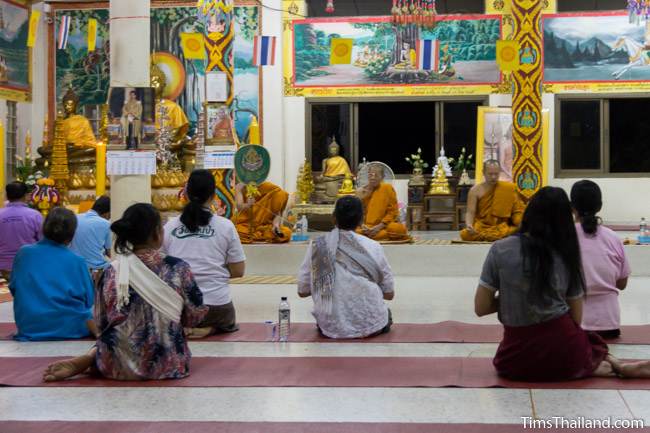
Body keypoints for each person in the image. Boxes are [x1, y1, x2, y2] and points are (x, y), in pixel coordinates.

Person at [474, 186, 650, 381]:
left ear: (529, 212)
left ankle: (594, 365)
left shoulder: (500, 249)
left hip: (515, 360)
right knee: (591, 341)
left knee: (531, 354)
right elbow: (576, 318)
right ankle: (614, 365)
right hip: (565, 351)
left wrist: (515, 295)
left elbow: (481, 307)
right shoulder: (567, 253)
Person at [43, 203, 207, 382]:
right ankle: (93, 358)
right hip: (168, 364)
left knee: (114, 332)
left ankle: (92, 358)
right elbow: (195, 316)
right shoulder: (178, 268)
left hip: (115, 366)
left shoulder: (111, 271)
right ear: (157, 233)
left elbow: (101, 322)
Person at [298, 196, 394, 339]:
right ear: (361, 220)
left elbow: (302, 291)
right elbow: (389, 294)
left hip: (330, 327)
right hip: (370, 325)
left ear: (333, 218)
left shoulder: (320, 246)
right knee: (387, 313)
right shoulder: (373, 246)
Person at [164, 170, 245, 338]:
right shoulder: (226, 226)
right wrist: (213, 271)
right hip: (216, 307)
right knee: (225, 316)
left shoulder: (169, 226)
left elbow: (162, 267)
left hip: (179, 307)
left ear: (185, 193)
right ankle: (212, 328)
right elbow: (239, 271)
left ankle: (185, 326)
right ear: (214, 195)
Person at [10, 207, 94, 341]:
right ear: (71, 235)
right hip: (70, 326)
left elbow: (14, 287)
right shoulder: (77, 260)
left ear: (44, 228)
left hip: (30, 326)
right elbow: (89, 299)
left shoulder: (24, 253)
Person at [571, 180, 630, 339]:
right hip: (609, 324)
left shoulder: (564, 237)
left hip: (574, 324)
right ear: (600, 206)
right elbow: (622, 284)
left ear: (572, 207)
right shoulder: (613, 237)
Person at [461, 160, 525, 242]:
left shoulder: (508, 188)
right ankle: (499, 237)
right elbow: (470, 212)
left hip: (501, 226)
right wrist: (469, 225)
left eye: (496, 174)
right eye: (490, 174)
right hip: (482, 227)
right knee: (465, 234)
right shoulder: (475, 190)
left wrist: (520, 222)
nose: (493, 177)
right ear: (483, 172)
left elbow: (517, 210)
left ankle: (497, 236)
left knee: (518, 229)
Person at [0, 182, 42, 280]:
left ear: (7, 196)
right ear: (26, 196)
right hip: (28, 265)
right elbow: (43, 242)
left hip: (3, 266)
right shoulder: (34, 215)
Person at [356, 164, 409, 241]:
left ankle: (368, 236)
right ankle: (372, 235)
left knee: (398, 230)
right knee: (351, 230)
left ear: (382, 177)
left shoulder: (387, 188)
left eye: (376, 175)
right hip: (365, 227)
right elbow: (358, 212)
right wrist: (362, 225)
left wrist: (378, 227)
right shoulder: (361, 191)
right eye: (371, 175)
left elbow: (393, 212)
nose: (373, 177)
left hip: (384, 226)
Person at [69, 196, 111, 273]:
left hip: (74, 266)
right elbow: (110, 253)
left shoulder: (75, 218)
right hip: (97, 268)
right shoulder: (106, 224)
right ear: (107, 214)